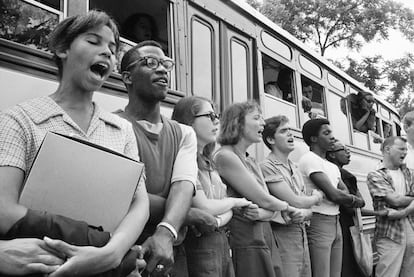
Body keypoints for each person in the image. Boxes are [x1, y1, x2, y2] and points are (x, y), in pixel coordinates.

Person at [0, 11, 149, 276]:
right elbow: (4, 210)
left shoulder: (122, 130)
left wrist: (112, 254)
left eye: (113, 49)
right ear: (62, 49)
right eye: (94, 41)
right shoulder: (19, 120)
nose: (107, 53)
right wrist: (107, 247)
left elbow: (140, 202)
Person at [118, 40, 216, 277]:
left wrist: (165, 231)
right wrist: (186, 213)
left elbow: (183, 186)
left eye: (165, 64)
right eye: (150, 62)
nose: (162, 69)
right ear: (127, 77)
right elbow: (120, 193)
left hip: (172, 249)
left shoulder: (184, 133)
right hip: (124, 248)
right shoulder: (112, 126)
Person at [214, 101, 302, 277]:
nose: (262, 123)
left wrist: (264, 212)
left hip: (261, 236)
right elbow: (265, 200)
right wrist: (288, 207)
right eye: (256, 118)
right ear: (237, 123)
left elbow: (267, 206)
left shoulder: (251, 160)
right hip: (244, 240)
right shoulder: (226, 156)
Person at [172, 96, 252, 277]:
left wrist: (219, 218)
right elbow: (205, 207)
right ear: (189, 121)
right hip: (200, 245)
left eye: (217, 115)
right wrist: (233, 202)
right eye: (210, 116)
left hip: (220, 240)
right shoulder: (185, 160)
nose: (217, 121)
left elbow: (217, 211)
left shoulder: (209, 161)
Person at [298, 118, 365, 277]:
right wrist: (355, 200)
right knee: (322, 273)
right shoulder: (309, 159)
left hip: (335, 219)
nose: (332, 137)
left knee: (335, 272)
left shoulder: (331, 166)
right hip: (319, 220)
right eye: (326, 133)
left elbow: (344, 191)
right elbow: (335, 194)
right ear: (314, 139)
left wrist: (346, 197)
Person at [260, 115, 323, 277]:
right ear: (270, 140)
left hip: (300, 233)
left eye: (290, 130)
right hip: (282, 237)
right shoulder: (267, 166)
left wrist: (304, 210)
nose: (290, 134)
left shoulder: (294, 167)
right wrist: (316, 198)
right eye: (283, 131)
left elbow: (306, 210)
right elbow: (295, 201)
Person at [326, 141, 388, 277]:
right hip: (346, 227)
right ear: (332, 155)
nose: (348, 152)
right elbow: (355, 205)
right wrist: (378, 213)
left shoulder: (330, 173)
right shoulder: (345, 175)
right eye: (343, 149)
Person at [367, 136, 414, 277]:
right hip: (390, 233)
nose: (405, 152)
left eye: (406, 149)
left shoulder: (410, 173)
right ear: (387, 149)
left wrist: (401, 213)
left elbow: (399, 203)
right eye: (401, 149)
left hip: (410, 227)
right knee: (388, 273)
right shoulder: (375, 175)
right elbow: (395, 200)